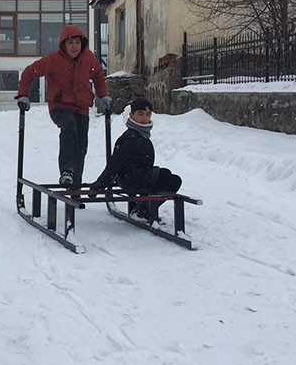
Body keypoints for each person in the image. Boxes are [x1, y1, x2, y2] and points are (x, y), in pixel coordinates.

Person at [16, 25, 112, 188]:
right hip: (60, 107)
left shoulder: (89, 59)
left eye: (77, 43)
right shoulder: (53, 60)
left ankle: (75, 182)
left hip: (81, 107)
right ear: (63, 44)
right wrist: (23, 95)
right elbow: (29, 72)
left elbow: (98, 76)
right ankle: (67, 171)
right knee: (69, 127)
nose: (74, 47)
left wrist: (102, 95)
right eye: (71, 43)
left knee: (81, 144)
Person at [89, 97, 182, 220]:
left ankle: (144, 207)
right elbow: (114, 164)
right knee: (172, 180)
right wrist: (99, 185)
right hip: (132, 179)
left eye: (148, 114)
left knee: (167, 175)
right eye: (140, 114)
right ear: (131, 115)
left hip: (138, 177)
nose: (144, 118)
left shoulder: (141, 134)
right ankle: (143, 210)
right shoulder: (129, 137)